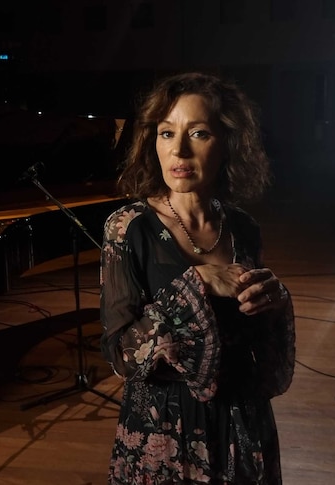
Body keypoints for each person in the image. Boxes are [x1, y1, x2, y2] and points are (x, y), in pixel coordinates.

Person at [99, 72, 296, 484]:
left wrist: (273, 302)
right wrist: (196, 285)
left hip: (243, 424)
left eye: (199, 133)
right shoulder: (128, 227)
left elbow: (256, 341)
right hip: (165, 429)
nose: (180, 150)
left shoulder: (243, 227)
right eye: (167, 133)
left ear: (227, 144)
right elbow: (121, 356)